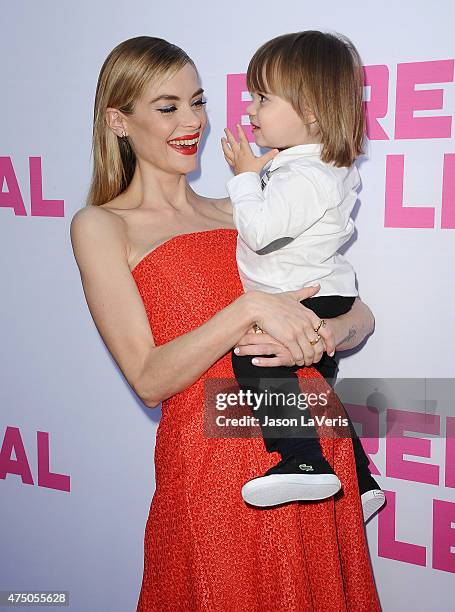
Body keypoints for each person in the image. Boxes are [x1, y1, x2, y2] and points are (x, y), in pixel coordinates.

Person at [70, 36, 380, 611]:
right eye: (168, 108)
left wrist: (327, 336)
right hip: (212, 468)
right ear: (118, 120)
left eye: (199, 100)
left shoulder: (244, 209)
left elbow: (357, 310)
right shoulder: (102, 226)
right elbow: (148, 377)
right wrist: (248, 310)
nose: (193, 122)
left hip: (312, 448)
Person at [221, 31, 385, 518]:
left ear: (311, 111)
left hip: (308, 299)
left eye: (264, 98)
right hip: (317, 297)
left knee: (254, 361)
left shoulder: (305, 174)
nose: (250, 110)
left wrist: (245, 178)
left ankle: (303, 461)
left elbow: (258, 231)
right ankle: (360, 481)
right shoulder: (304, 165)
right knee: (313, 389)